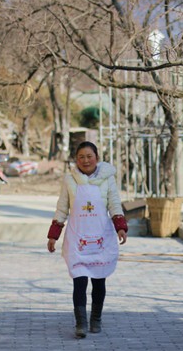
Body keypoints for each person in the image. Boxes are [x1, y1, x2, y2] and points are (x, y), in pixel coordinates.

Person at [47, 141, 128, 338]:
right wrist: (53, 235)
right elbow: (62, 208)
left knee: (99, 281)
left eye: (89, 156)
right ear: (76, 160)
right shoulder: (69, 180)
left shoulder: (107, 179)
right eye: (81, 157)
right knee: (79, 281)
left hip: (101, 237)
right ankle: (81, 323)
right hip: (78, 239)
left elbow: (114, 204)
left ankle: (96, 319)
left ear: (97, 158)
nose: (85, 160)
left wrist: (120, 227)